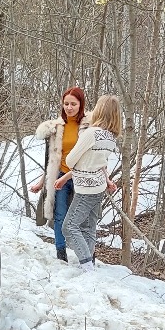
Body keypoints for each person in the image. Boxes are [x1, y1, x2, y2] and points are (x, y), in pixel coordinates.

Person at [59, 94, 122, 270]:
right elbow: (100, 164)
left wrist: (71, 169)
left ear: (100, 111)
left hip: (86, 188)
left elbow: (70, 160)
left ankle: (87, 266)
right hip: (99, 186)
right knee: (88, 227)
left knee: (69, 227)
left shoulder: (91, 133)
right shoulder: (111, 137)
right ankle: (89, 265)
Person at [28, 86, 86, 261]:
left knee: (82, 218)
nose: (69, 107)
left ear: (80, 104)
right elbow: (51, 161)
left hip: (81, 177)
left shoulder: (87, 126)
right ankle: (61, 254)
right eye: (66, 103)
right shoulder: (56, 127)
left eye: (73, 104)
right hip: (60, 176)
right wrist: (42, 182)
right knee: (59, 215)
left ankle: (86, 254)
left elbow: (94, 156)